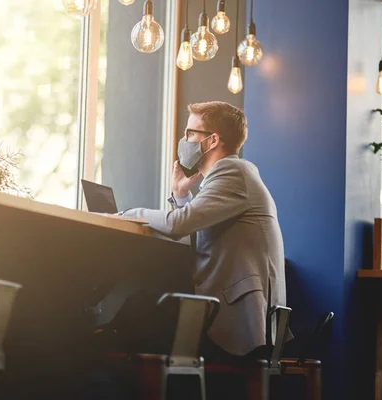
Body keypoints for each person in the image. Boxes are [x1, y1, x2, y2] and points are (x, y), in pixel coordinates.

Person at [119, 101, 288, 362]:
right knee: (140, 309)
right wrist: (181, 195)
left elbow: (178, 225)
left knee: (138, 309)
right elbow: (193, 229)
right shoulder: (235, 175)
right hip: (245, 316)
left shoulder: (232, 171)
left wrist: (127, 213)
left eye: (190, 133)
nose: (184, 140)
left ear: (212, 140)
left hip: (238, 323)